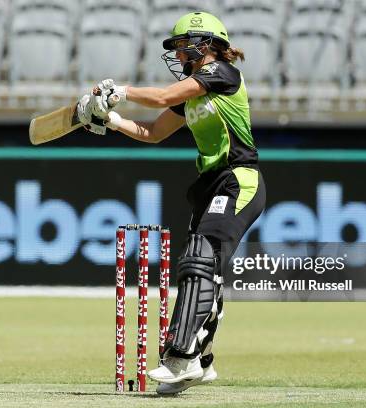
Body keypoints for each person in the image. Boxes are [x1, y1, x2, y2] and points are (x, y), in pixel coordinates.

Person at [78, 11, 266, 394]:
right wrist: (110, 118)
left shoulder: (224, 75)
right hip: (211, 186)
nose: (179, 55)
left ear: (208, 44)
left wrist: (121, 92)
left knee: (200, 256)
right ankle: (203, 361)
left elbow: (161, 96)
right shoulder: (193, 94)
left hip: (239, 181)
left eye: (183, 47)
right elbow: (151, 131)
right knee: (204, 268)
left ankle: (181, 358)